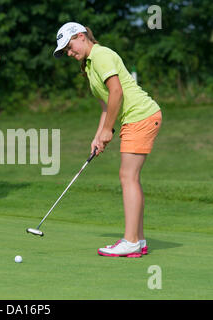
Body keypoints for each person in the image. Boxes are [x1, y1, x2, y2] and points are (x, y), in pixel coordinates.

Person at [53, 22, 162, 258]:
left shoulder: (100, 55)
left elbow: (117, 92)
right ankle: (139, 240)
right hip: (136, 117)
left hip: (140, 115)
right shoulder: (90, 65)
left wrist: (109, 129)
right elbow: (106, 103)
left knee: (127, 176)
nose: (70, 54)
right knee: (131, 177)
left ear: (81, 36)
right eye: (66, 52)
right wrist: (99, 134)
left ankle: (131, 241)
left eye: (70, 47)